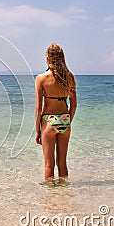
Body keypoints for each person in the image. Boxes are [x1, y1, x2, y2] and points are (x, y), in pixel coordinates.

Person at [35, 43, 77, 184]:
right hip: (65, 120)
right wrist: (68, 121)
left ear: (48, 59)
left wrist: (37, 131)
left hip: (49, 121)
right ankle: (64, 194)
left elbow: (38, 108)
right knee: (62, 163)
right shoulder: (69, 77)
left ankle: (51, 199)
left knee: (49, 164)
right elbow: (74, 104)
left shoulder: (41, 78)